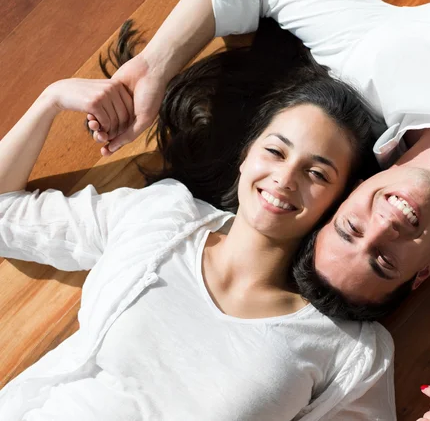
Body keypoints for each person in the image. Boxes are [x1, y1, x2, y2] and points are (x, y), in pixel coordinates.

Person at [92, 0, 430, 418]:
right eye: (383, 262)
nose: (383, 228)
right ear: (423, 272)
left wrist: (157, 65)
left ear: (346, 197)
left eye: (351, 229)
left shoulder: (377, 61)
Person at [0, 25, 397, 419]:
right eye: (276, 151)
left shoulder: (348, 348)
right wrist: (50, 99)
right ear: (246, 155)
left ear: (340, 200)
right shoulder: (162, 216)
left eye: (317, 174)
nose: (285, 178)